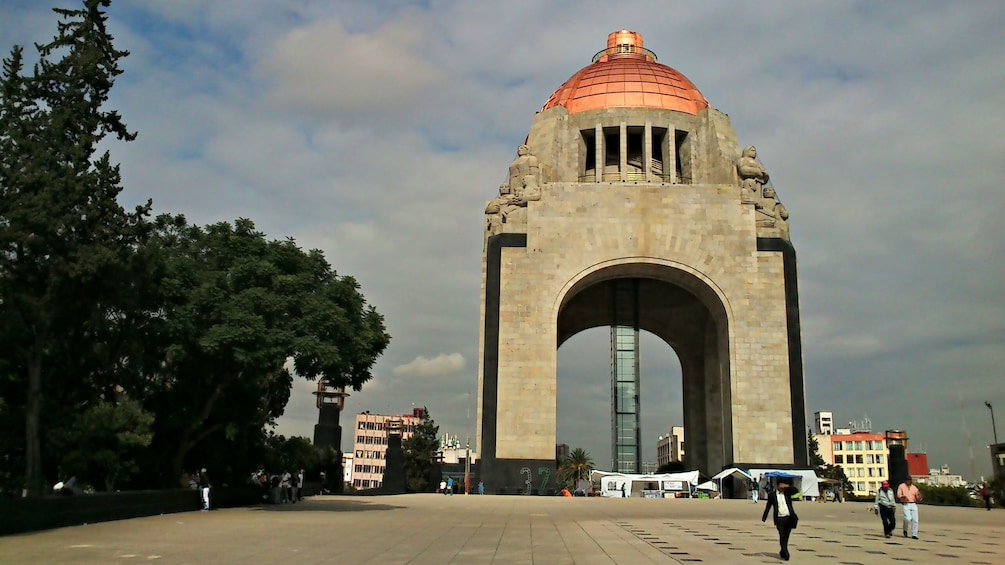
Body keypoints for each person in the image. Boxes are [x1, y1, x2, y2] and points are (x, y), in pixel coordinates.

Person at [761, 480, 798, 561]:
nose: (782, 487)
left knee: (786, 536)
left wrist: (787, 487)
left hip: (789, 517)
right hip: (779, 518)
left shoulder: (787, 493)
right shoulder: (772, 495)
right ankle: (785, 552)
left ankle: (782, 550)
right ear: (777, 486)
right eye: (781, 485)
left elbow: (796, 491)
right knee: (782, 535)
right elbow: (768, 506)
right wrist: (764, 517)